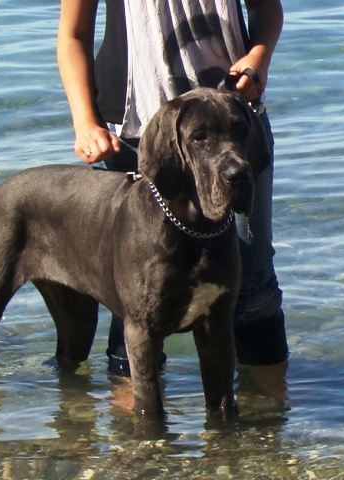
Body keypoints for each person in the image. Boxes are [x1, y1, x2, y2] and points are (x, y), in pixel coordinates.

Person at [57, 0, 289, 376]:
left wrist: (257, 59)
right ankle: (135, 411)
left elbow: (267, 10)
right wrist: (85, 123)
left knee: (254, 276)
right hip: (135, 131)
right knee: (136, 289)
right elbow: (73, 34)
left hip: (234, 127)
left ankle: (269, 407)